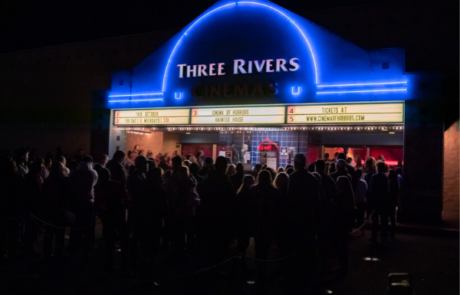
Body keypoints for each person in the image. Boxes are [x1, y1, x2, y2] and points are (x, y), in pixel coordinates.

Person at [286, 154, 320, 280]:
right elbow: (316, 200)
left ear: (296, 163)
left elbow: (290, 198)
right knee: (307, 243)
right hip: (308, 215)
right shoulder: (312, 178)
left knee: (295, 243)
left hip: (296, 216)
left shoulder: (293, 177)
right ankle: (308, 269)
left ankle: (296, 271)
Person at [197, 156, 235, 263]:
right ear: (224, 167)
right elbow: (231, 200)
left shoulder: (207, 179)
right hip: (222, 219)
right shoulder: (225, 181)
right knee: (221, 249)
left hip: (207, 217)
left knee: (209, 247)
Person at [250, 170, 281, 285]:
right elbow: (279, 210)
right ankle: (263, 272)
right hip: (270, 225)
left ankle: (259, 271)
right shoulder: (275, 192)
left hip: (257, 224)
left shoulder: (253, 190)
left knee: (258, 249)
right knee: (266, 248)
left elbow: (249, 208)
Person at [68, 156, 98, 258]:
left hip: (75, 202)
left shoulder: (73, 173)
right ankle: (87, 249)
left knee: (75, 225)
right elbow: (93, 185)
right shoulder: (92, 173)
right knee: (87, 226)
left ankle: (73, 246)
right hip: (88, 202)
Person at [41, 161, 72, 260]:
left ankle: (46, 253)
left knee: (48, 233)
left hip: (49, 209)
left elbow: (43, 196)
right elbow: (68, 195)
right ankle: (59, 253)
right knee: (60, 233)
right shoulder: (65, 180)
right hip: (60, 209)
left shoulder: (47, 180)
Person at [141, 168, 167, 267]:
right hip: (156, 223)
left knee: (144, 248)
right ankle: (149, 273)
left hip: (143, 222)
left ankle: (143, 271)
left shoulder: (142, 189)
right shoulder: (160, 192)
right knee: (154, 249)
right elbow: (165, 210)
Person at [315, 159, 337, 268]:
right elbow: (334, 195)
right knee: (324, 234)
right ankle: (323, 257)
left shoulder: (312, 178)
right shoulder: (329, 179)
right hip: (326, 211)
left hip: (314, 211)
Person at [333, 176, 355, 275]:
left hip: (339, 223)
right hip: (345, 223)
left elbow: (336, 209)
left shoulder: (339, 196)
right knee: (343, 245)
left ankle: (342, 266)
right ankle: (344, 265)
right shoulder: (349, 196)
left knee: (340, 245)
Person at [172, 166, 198, 249]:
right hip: (190, 210)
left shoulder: (181, 184)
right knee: (189, 231)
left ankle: (181, 249)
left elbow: (178, 198)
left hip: (182, 210)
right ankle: (190, 248)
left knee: (181, 231)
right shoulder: (191, 182)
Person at [235, 175, 256, 257]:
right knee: (243, 243)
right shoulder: (247, 194)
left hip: (241, 221)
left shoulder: (241, 193)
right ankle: (240, 263)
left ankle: (240, 262)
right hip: (244, 221)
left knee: (243, 243)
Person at [370, 161, 389, 243]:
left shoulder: (374, 177)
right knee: (383, 219)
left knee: (375, 220)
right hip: (383, 201)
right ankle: (383, 236)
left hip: (375, 201)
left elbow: (371, 190)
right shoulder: (385, 177)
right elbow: (386, 190)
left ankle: (374, 236)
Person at [354, 169, 368, 235]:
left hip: (356, 201)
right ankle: (362, 231)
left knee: (354, 216)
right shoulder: (364, 182)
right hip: (362, 201)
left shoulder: (354, 182)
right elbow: (366, 191)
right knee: (361, 217)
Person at [388, 170, 399, 237]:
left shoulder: (391, 182)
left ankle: (391, 231)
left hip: (390, 201)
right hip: (393, 201)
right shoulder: (395, 182)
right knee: (392, 216)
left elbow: (389, 192)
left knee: (390, 215)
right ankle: (392, 230)